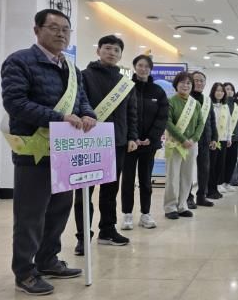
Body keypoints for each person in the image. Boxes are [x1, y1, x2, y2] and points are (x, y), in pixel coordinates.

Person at [1, 9, 96, 295]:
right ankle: (25, 272)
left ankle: (48, 260)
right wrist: (59, 118)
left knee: (58, 211)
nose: (61, 33)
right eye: (54, 28)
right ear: (37, 30)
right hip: (34, 152)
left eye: (65, 29)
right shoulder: (20, 61)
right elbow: (15, 103)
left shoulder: (71, 68)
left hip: (65, 153)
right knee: (30, 215)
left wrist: (88, 115)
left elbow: (82, 101)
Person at [73, 35, 138, 255]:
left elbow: (131, 113)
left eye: (116, 50)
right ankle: (83, 236)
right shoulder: (84, 76)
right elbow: (77, 104)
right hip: (89, 141)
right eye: (108, 48)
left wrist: (132, 137)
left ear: (121, 55)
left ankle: (107, 230)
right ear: (98, 50)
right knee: (84, 191)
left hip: (117, 142)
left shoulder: (125, 83)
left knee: (110, 190)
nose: (112, 53)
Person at [120, 55, 168, 230]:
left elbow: (162, 117)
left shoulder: (158, 91)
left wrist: (152, 137)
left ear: (151, 69)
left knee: (146, 180)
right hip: (129, 144)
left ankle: (145, 214)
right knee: (127, 180)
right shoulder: (125, 87)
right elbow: (122, 115)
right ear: (134, 67)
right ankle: (127, 214)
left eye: (147, 66)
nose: (143, 69)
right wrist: (130, 137)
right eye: (140, 65)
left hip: (149, 144)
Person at [163, 72, 202, 219]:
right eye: (182, 82)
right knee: (173, 176)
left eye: (188, 83)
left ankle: (182, 205)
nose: (185, 85)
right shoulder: (170, 101)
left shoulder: (195, 104)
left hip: (191, 144)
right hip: (175, 144)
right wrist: (182, 139)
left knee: (187, 176)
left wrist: (194, 139)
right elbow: (167, 122)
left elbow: (200, 123)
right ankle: (170, 207)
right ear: (176, 84)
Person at [186, 71, 218, 208]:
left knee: (204, 169)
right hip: (189, 140)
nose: (199, 83)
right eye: (196, 80)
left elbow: (212, 120)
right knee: (188, 170)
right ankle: (187, 197)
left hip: (205, 140)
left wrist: (214, 138)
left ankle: (201, 196)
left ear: (205, 83)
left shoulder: (207, 100)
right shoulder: (186, 98)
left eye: (202, 81)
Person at [207, 82, 232, 199]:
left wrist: (229, 137)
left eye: (222, 91)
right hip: (213, 140)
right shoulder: (209, 105)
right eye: (217, 90)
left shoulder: (225, 106)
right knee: (211, 165)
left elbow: (229, 123)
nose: (220, 93)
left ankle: (215, 188)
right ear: (213, 91)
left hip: (223, 139)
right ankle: (210, 190)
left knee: (219, 165)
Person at [223, 82, 238, 190]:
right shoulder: (221, 103)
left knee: (232, 161)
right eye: (227, 89)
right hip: (223, 138)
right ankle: (220, 183)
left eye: (231, 89)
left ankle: (227, 183)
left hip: (235, 138)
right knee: (222, 162)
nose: (230, 91)